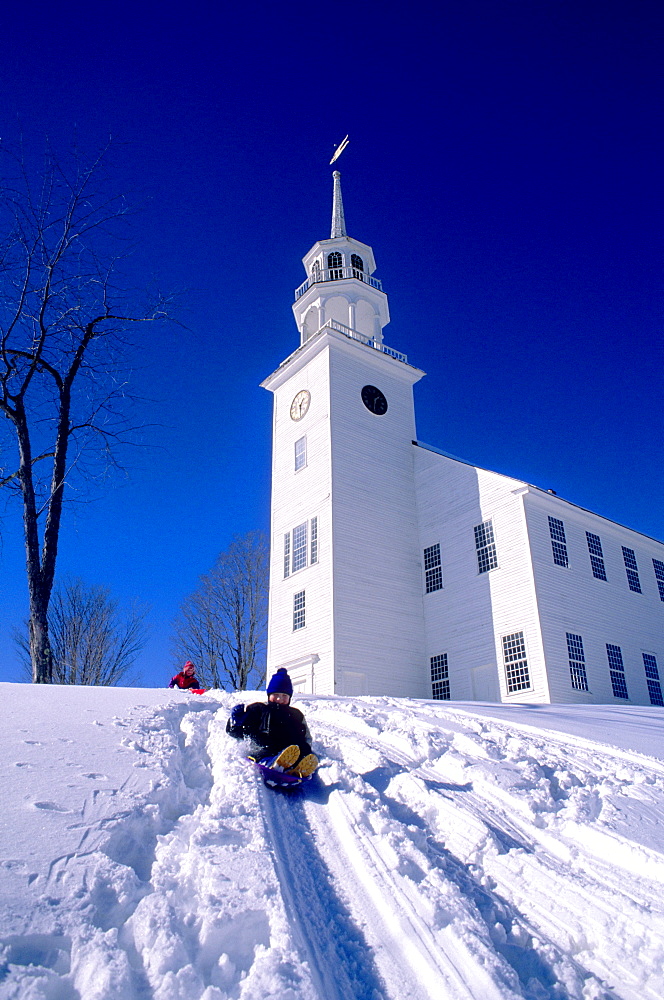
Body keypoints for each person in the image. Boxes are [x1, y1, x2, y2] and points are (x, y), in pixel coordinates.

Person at [226, 667, 318, 777]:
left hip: (290, 752)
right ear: (269, 695)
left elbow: (305, 736)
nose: (280, 699)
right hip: (264, 749)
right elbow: (239, 732)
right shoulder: (259, 708)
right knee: (265, 752)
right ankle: (273, 765)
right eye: (276, 695)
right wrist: (235, 723)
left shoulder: (296, 714)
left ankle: (297, 769)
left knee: (300, 751)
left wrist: (306, 749)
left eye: (284, 696)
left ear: (290, 697)